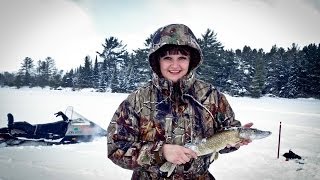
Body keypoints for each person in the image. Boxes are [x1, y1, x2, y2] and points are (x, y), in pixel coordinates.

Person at [107, 24, 252, 180]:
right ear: (158, 61)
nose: (175, 65)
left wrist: (234, 140)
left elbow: (224, 136)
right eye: (167, 58)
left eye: (182, 58)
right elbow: (116, 149)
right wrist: (160, 152)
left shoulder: (211, 96)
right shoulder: (136, 100)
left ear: (191, 61)